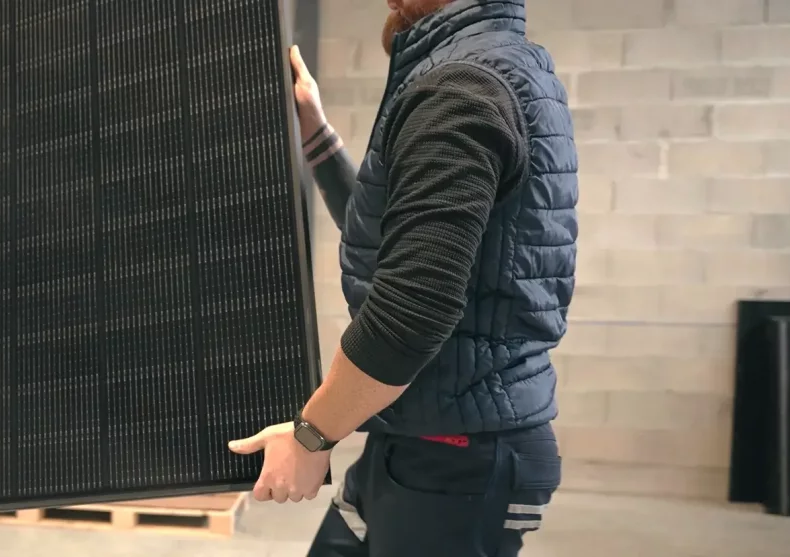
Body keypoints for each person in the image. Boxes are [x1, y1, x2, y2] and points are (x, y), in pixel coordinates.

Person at [228, 0, 577, 554]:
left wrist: (312, 435)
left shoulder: (462, 87)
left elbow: (411, 312)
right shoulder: (487, 67)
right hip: (417, 438)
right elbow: (400, 240)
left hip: (456, 463)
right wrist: (315, 132)